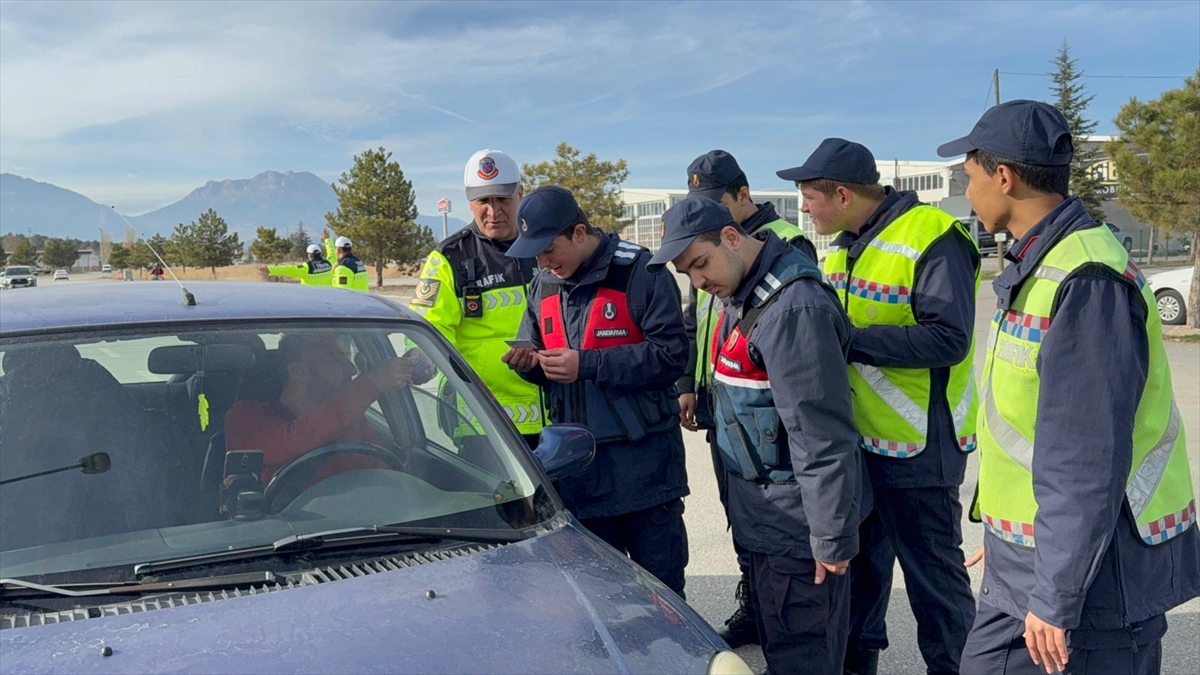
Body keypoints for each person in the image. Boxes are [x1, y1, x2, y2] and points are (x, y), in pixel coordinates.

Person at [938, 100, 1199, 675]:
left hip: (1094, 581)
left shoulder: (1086, 279)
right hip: (1038, 562)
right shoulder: (1045, 264)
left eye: (968, 175)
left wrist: (1055, 592)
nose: (967, 187)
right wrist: (1010, 546)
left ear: (1002, 176)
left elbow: (1085, 459)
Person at [776, 138, 981, 675]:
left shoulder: (934, 236)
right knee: (860, 581)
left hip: (919, 449)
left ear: (842, 194)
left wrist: (845, 338)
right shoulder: (842, 246)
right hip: (860, 445)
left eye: (808, 197)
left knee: (935, 587)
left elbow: (948, 339)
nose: (803, 208)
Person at [652, 194, 864, 674]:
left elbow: (821, 435)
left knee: (802, 654)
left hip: (797, 529)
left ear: (731, 237)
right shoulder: (744, 293)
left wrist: (829, 537)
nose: (698, 282)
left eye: (700, 264)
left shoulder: (792, 308)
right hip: (766, 518)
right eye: (687, 273)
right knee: (781, 644)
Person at [502, 186, 690, 597]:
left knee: (663, 599)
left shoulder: (641, 272)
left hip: (645, 474)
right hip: (579, 479)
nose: (543, 262)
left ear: (580, 233)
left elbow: (672, 356)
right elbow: (538, 351)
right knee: (599, 606)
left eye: (549, 249)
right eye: (535, 254)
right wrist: (532, 367)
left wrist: (586, 364)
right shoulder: (543, 286)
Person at [678, 149, 817, 647]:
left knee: (767, 518)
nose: (708, 211)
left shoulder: (785, 245)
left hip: (761, 407)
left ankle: (770, 607)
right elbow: (697, 319)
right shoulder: (704, 249)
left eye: (716, 201)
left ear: (743, 196)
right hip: (721, 397)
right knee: (737, 512)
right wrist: (689, 385)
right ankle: (755, 601)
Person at [409, 149, 545, 446]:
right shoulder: (448, 258)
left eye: (503, 200)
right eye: (483, 201)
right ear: (469, 201)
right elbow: (427, 329)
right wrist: (418, 360)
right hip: (483, 425)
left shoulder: (546, 247)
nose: (493, 212)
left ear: (520, 194)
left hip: (557, 418)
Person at [224, 333, 414, 485]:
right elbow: (293, 442)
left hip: (370, 529)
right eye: (337, 358)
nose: (351, 369)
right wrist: (372, 382)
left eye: (347, 357)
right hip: (288, 533)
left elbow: (384, 483)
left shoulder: (352, 420)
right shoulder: (245, 416)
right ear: (299, 371)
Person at [262, 244, 333, 286]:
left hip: (311, 300)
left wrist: (270, 270)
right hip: (328, 298)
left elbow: (289, 269)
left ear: (310, 255)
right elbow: (332, 253)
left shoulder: (307, 267)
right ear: (320, 253)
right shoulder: (329, 262)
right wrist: (327, 239)